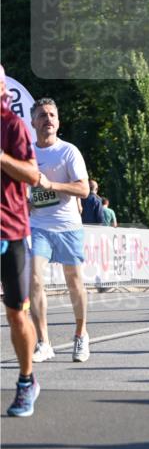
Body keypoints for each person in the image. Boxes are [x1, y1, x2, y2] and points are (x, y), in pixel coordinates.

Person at [29, 97, 91, 362]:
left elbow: (84, 189)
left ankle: (81, 335)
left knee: (74, 282)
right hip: (38, 226)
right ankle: (43, 342)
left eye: (52, 115)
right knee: (34, 278)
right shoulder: (26, 154)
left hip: (67, 226)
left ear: (58, 121)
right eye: (42, 116)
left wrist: (51, 185)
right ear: (33, 122)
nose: (48, 120)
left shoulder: (68, 152)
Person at [1, 67, 41, 415]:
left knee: (15, 314)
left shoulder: (12, 126)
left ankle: (27, 381)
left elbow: (32, 173)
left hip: (10, 232)